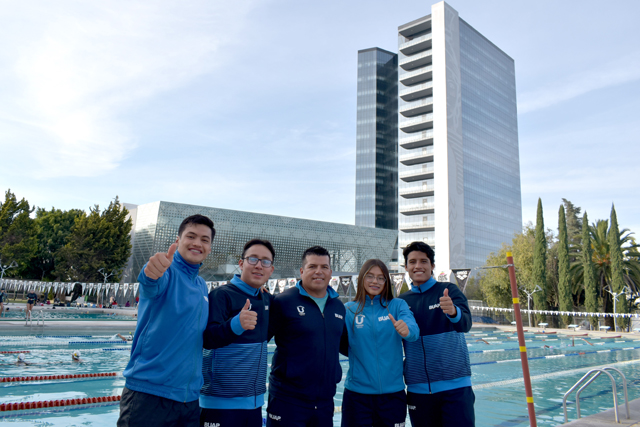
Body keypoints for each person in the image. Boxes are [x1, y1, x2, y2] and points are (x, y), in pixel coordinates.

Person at [118, 214, 214, 427]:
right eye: (191, 236)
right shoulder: (166, 272)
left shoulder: (201, 285)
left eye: (204, 240)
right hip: (149, 395)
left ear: (209, 248)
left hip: (189, 400)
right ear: (178, 240)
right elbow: (151, 281)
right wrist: (151, 272)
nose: (197, 243)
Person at [200, 239, 276, 427]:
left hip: (254, 404)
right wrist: (236, 325)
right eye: (253, 259)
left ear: (271, 270)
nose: (259, 265)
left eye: (265, 261)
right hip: (219, 403)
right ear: (241, 264)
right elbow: (207, 339)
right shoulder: (221, 295)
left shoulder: (267, 299)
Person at [267, 246, 346, 427]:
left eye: (324, 267)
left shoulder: (338, 306)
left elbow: (347, 345)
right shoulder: (284, 301)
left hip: (325, 402)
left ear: (330, 272)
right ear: (302, 271)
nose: (319, 271)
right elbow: (259, 338)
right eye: (312, 266)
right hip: (287, 399)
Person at [398, 241, 474, 427]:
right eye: (412, 262)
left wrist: (453, 312)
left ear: (432, 265)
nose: (418, 266)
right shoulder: (401, 302)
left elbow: (465, 324)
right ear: (406, 267)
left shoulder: (448, 290)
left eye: (423, 261)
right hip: (418, 391)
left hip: (455, 388)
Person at [341, 259, 419, 427]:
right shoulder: (349, 310)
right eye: (370, 276)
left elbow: (413, 331)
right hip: (357, 396)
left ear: (386, 282)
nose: (375, 281)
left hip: (392, 396)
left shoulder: (397, 305)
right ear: (362, 279)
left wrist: (407, 330)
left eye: (380, 277)